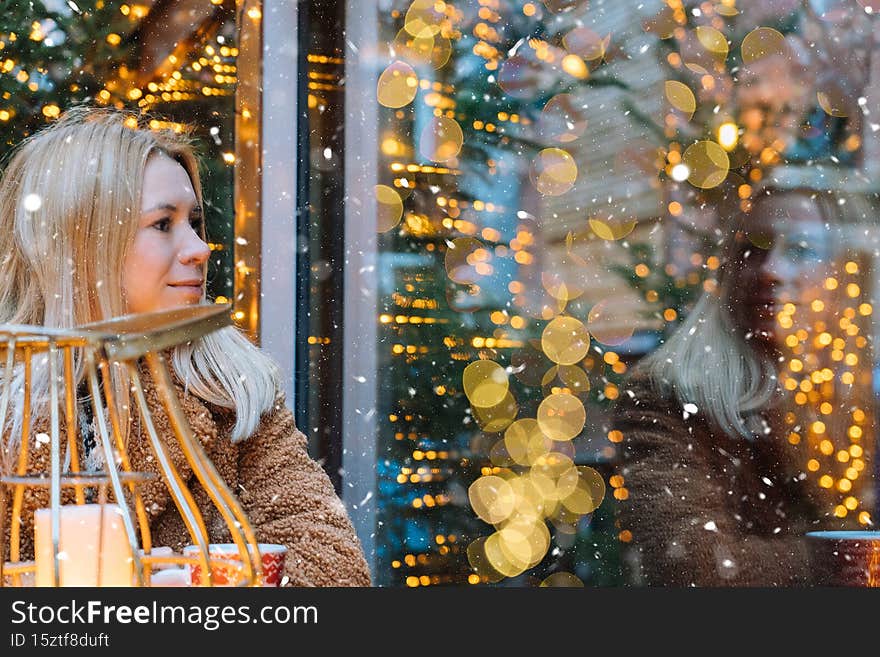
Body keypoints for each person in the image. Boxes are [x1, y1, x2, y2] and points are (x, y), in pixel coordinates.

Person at [0, 106, 371, 586]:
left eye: (194, 221)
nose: (199, 248)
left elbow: (332, 566)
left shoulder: (229, 389)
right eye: (163, 224)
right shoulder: (13, 409)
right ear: (83, 242)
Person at [611, 185, 865, 586]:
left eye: (800, 250)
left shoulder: (855, 400)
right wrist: (847, 557)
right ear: (729, 268)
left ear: (838, 277)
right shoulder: (666, 395)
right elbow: (693, 569)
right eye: (755, 249)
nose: (771, 270)